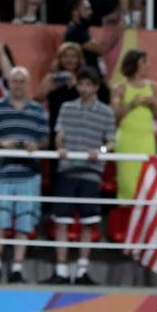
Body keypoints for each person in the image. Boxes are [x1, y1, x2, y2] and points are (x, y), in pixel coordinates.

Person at [0, 65, 48, 283]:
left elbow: (46, 139)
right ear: (8, 83)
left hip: (29, 173)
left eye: (22, 80)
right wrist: (3, 143)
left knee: (25, 221)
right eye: (14, 80)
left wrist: (35, 145)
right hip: (2, 172)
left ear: (28, 84)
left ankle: (17, 268)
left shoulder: (38, 110)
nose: (18, 84)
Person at [51, 67, 115, 284]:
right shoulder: (66, 107)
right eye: (81, 84)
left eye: (89, 84)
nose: (84, 88)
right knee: (62, 221)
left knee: (88, 222)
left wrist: (101, 152)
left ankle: (81, 271)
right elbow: (59, 133)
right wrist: (59, 147)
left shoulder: (106, 112)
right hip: (67, 169)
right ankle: (60, 271)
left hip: (91, 172)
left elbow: (111, 142)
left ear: (96, 87)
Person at [111, 48, 157, 203]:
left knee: (147, 181)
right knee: (128, 184)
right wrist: (131, 104)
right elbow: (115, 115)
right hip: (127, 139)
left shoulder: (153, 87)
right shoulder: (119, 88)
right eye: (144, 62)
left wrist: (153, 102)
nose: (148, 65)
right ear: (134, 64)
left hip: (146, 139)